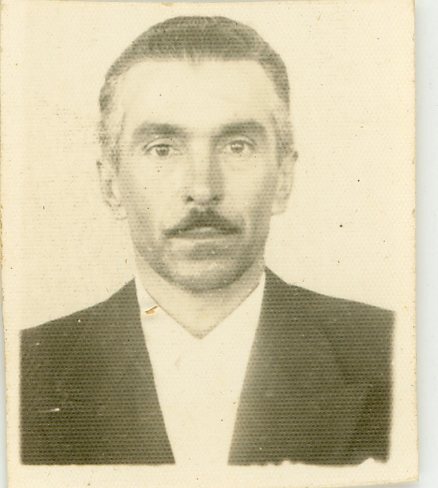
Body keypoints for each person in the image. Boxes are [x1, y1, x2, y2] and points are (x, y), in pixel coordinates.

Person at [20, 16, 393, 466]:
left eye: (237, 146)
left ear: (284, 178)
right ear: (111, 183)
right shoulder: (22, 372)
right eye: (162, 148)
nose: (202, 188)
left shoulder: (395, 353)